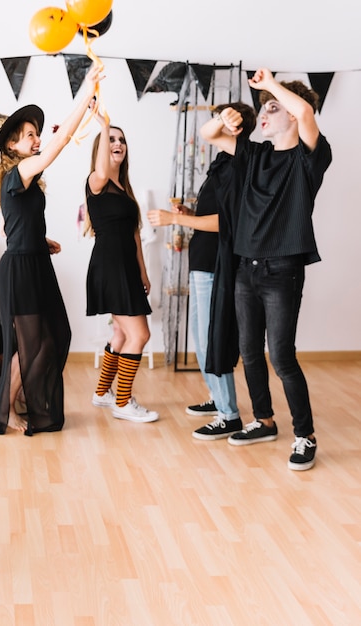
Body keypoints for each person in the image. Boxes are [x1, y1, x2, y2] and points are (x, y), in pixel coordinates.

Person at [200, 69, 332, 470]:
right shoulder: (253, 154)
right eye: (263, 109)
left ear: (291, 114)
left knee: (281, 355)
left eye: (273, 109)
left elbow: (307, 114)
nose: (265, 114)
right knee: (249, 352)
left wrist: (273, 85)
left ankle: (304, 436)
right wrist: (224, 119)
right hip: (246, 267)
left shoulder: (310, 157)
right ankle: (264, 421)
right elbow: (209, 135)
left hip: (283, 271)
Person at [0, 61, 103, 435]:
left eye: (37, 135)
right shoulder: (15, 173)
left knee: (53, 336)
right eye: (29, 136)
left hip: (32, 262)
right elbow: (60, 143)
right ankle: (7, 412)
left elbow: (12, 226)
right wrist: (86, 95)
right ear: (11, 145)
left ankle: (20, 405)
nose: (36, 140)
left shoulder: (25, 182)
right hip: (21, 270)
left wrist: (39, 240)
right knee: (31, 346)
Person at [148, 102, 257, 439]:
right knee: (201, 339)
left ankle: (229, 415)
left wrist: (175, 219)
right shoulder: (222, 160)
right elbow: (215, 209)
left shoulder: (242, 162)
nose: (212, 126)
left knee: (214, 340)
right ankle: (217, 397)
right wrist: (189, 209)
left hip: (217, 263)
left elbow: (229, 221)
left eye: (219, 118)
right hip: (202, 261)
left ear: (234, 126)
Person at [86, 117, 158, 423]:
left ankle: (103, 394)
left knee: (120, 332)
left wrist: (143, 272)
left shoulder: (124, 189)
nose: (118, 144)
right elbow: (102, 169)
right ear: (101, 148)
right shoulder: (96, 180)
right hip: (110, 265)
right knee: (139, 334)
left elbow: (135, 234)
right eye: (111, 140)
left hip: (126, 267)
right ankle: (123, 402)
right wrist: (104, 126)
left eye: (121, 140)